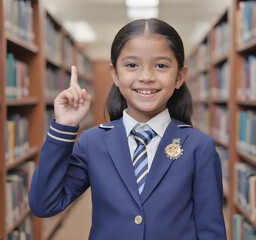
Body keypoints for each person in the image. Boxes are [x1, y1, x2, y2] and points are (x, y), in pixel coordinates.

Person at [29, 18, 227, 239]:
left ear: (180, 76)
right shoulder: (93, 142)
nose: (146, 77)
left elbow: (211, 231)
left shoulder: (199, 147)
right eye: (132, 65)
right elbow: (44, 204)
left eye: (161, 65)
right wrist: (64, 128)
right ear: (115, 74)